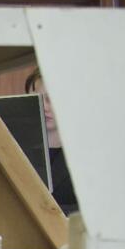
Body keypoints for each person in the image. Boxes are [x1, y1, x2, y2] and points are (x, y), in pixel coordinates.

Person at [24, 69, 78, 213]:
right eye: (36, 99)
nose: (44, 107)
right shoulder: (15, 149)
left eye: (50, 99)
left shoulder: (85, 154)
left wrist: (47, 212)